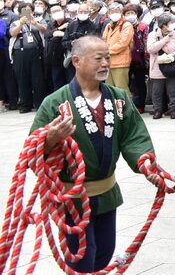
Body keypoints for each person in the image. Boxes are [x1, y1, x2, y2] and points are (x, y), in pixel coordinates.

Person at [30, 35, 158, 273]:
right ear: (76, 61)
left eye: (107, 58)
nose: (105, 64)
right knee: (81, 259)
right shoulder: (55, 103)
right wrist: (50, 139)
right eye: (98, 58)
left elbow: (133, 136)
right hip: (73, 200)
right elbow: (32, 151)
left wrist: (145, 162)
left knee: (104, 253)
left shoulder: (119, 99)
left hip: (107, 194)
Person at [146, 12, 175, 120]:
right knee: (156, 92)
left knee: (173, 90)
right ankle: (158, 110)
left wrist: (173, 54)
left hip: (172, 65)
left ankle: (173, 110)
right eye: (170, 23)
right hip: (157, 66)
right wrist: (163, 41)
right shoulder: (153, 35)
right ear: (163, 25)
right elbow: (150, 49)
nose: (173, 25)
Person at [9, 4, 46, 113]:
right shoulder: (15, 23)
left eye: (29, 11)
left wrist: (35, 23)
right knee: (22, 78)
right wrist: (21, 23)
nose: (27, 13)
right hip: (20, 53)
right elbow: (13, 33)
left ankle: (39, 104)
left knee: (37, 79)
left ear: (33, 12)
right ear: (20, 13)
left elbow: (45, 30)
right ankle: (25, 104)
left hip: (35, 52)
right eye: (24, 11)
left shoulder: (38, 21)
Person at [100, 3, 132, 90]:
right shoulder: (109, 25)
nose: (114, 13)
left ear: (121, 12)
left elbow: (123, 43)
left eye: (116, 11)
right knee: (109, 88)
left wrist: (107, 51)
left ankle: (125, 104)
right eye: (111, 11)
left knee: (121, 88)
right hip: (108, 62)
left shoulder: (126, 25)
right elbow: (103, 40)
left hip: (121, 62)